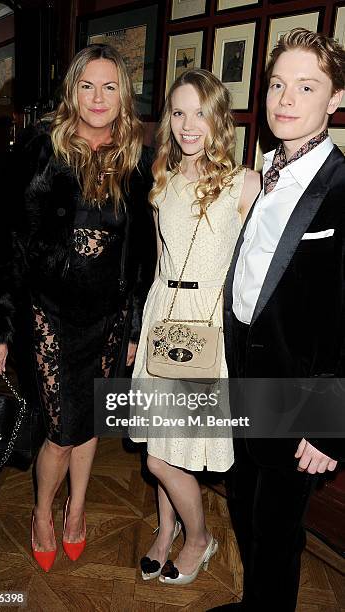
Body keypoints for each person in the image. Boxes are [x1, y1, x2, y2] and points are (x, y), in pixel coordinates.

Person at [0, 43, 154, 572]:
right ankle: (42, 515)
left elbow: (143, 253)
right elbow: (3, 243)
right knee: (60, 428)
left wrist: (134, 325)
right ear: (72, 92)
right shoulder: (37, 149)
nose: (98, 98)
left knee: (92, 421)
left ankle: (76, 511)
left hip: (109, 317)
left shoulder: (137, 158)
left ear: (122, 96)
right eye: (87, 86)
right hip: (49, 315)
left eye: (109, 87)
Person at [211, 29, 345, 612]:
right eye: (278, 85)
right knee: (244, 507)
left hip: (299, 402)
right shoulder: (263, 170)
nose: (285, 100)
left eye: (307, 87)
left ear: (335, 100)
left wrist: (329, 423)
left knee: (277, 532)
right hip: (243, 384)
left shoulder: (341, 189)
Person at [131, 69, 260, 585]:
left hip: (206, 328)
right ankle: (166, 534)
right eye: (179, 112)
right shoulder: (161, 173)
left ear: (218, 118)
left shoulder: (244, 182)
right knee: (162, 445)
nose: (188, 125)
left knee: (163, 457)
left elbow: (263, 267)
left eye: (199, 112)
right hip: (162, 317)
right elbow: (155, 260)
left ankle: (200, 538)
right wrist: (141, 330)